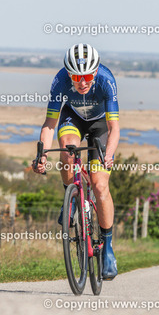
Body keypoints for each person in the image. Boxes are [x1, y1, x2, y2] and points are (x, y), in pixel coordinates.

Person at [32, 43, 119, 280]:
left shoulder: (106, 80)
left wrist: (109, 154)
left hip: (100, 124)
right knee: (68, 152)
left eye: (88, 77)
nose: (82, 83)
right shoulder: (60, 81)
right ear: (69, 74)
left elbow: (114, 127)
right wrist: (42, 154)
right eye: (76, 77)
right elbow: (50, 124)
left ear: (96, 72)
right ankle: (70, 198)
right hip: (73, 118)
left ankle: (107, 247)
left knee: (100, 185)